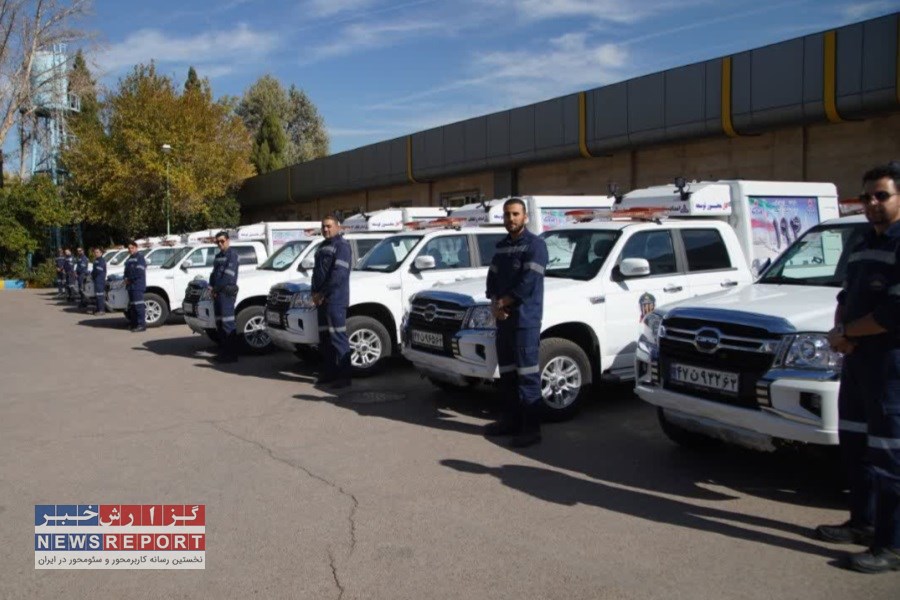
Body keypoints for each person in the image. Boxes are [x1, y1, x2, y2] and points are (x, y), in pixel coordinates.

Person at [819, 163, 900, 574]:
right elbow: (845, 294)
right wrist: (841, 332)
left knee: (890, 456)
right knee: (855, 445)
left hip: (890, 367)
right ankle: (862, 523)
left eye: (882, 196)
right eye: (867, 196)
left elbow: (894, 313)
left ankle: (892, 545)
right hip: (857, 361)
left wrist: (849, 331)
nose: (872, 203)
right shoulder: (864, 241)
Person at [484, 197, 549, 448]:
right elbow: (492, 278)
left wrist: (503, 304)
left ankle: (531, 429)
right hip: (504, 321)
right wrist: (493, 303)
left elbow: (528, 282)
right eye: (507, 215)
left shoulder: (536, 246)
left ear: (525, 217)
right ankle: (510, 422)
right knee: (508, 374)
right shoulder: (501, 247)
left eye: (515, 214)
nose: (510, 219)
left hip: (525, 321)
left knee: (527, 376)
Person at [311, 215, 352, 388]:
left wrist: (322, 293)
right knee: (325, 339)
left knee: (338, 338)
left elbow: (339, 275)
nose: (326, 229)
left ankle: (344, 377)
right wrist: (314, 292)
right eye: (323, 226)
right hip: (321, 300)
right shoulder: (322, 246)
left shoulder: (342, 246)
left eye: (329, 226)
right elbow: (316, 272)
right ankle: (330, 373)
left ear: (337, 227)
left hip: (335, 299)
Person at [209, 231, 241, 363]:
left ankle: (232, 355)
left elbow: (228, 277)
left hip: (226, 294)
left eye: (222, 241)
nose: (220, 244)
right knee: (219, 324)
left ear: (228, 240)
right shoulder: (218, 256)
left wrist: (215, 288)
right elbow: (214, 274)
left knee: (228, 324)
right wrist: (211, 287)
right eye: (217, 242)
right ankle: (223, 352)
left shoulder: (232, 255)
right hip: (217, 293)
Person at [123, 241, 147, 332]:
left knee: (138, 306)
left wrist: (129, 279)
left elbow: (139, 272)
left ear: (136, 248)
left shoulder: (140, 258)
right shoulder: (129, 259)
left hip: (137, 285)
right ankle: (134, 324)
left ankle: (142, 325)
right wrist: (125, 278)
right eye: (129, 248)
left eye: (132, 248)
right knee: (132, 307)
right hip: (130, 286)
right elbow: (126, 271)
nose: (130, 250)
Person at [91, 247, 107, 315]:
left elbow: (98, 270)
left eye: (97, 252)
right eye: (95, 252)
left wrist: (93, 273)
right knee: (97, 295)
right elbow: (94, 270)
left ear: (101, 253)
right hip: (96, 280)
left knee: (100, 295)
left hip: (100, 280)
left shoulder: (101, 260)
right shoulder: (96, 260)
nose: (96, 254)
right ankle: (98, 309)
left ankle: (101, 310)